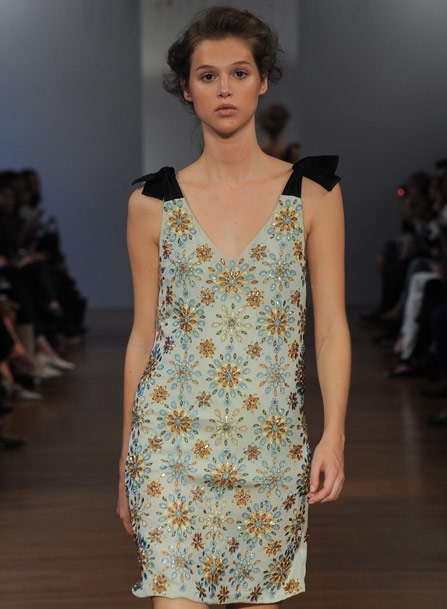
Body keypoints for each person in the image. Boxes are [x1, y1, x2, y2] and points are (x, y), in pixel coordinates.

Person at [117, 6, 350, 607]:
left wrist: (334, 436)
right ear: (186, 88)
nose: (224, 89)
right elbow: (144, 336)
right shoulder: (152, 203)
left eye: (239, 73)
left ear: (263, 81)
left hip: (270, 446)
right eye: (208, 75)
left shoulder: (313, 194)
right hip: (168, 448)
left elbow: (330, 327)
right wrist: (125, 459)